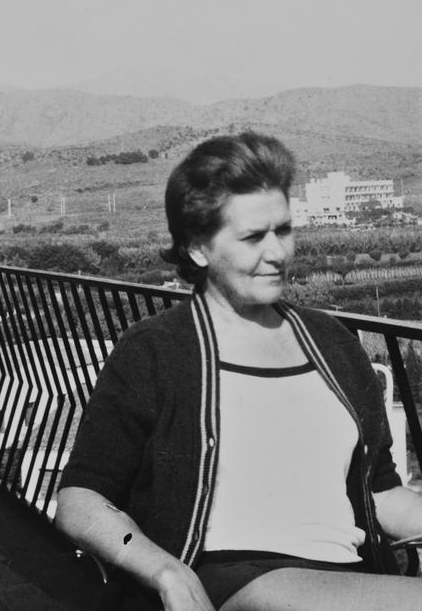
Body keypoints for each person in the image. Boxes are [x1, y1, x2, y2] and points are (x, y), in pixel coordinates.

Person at [55, 131, 422, 610]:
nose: (277, 253)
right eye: (252, 237)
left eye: (283, 230)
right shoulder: (157, 352)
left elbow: (380, 494)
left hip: (344, 580)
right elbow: (80, 498)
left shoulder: (332, 344)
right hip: (227, 581)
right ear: (197, 248)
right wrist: (166, 573)